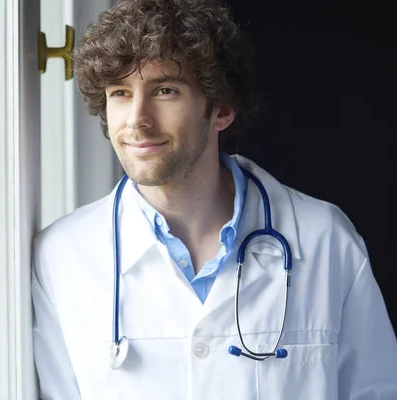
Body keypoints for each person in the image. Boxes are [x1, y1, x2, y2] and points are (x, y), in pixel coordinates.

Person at [30, 0, 397, 398]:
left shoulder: (324, 240)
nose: (137, 119)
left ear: (221, 110)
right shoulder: (60, 256)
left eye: (165, 90)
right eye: (120, 92)